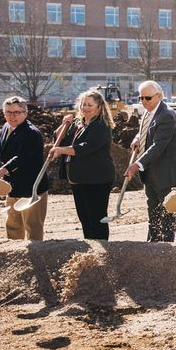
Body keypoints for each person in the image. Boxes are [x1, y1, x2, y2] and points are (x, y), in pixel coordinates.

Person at [50, 88, 116, 240]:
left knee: (96, 217)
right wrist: (63, 125)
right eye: (83, 104)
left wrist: (61, 150)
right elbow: (59, 140)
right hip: (78, 177)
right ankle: (90, 245)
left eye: (89, 105)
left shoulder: (101, 126)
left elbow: (86, 147)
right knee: (84, 217)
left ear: (99, 107)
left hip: (96, 178)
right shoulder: (78, 123)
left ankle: (101, 249)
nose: (85, 107)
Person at [125, 81, 176, 242]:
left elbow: (158, 145)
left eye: (148, 98)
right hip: (151, 172)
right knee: (153, 209)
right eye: (141, 97)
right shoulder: (148, 111)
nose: (144, 101)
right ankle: (153, 243)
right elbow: (146, 131)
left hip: (166, 173)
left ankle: (166, 246)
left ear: (159, 96)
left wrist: (137, 164)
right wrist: (138, 138)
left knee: (166, 212)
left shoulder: (167, 115)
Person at [0, 96, 49, 241]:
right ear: (4, 113)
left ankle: (36, 253)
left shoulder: (31, 133)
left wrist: (3, 170)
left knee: (32, 225)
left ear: (25, 113)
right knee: (13, 224)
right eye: (8, 112)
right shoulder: (7, 127)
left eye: (17, 112)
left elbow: (22, 157)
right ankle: (15, 252)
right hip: (13, 185)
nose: (12, 116)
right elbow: (9, 145)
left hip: (31, 186)